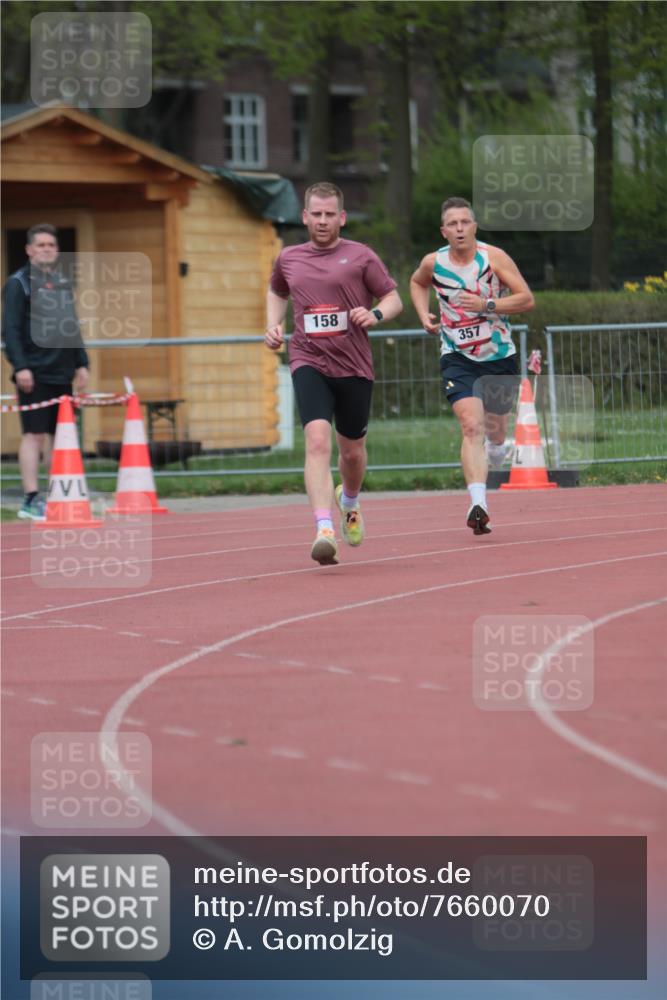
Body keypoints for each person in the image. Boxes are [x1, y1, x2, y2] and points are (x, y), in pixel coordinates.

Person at [265, 182, 403, 565]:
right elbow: (276, 291)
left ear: (341, 218)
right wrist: (273, 325)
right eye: (316, 214)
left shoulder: (361, 256)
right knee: (316, 441)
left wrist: (374, 314)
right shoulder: (289, 258)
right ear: (304, 217)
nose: (323, 221)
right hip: (308, 360)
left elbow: (393, 298)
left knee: (352, 453)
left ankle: (350, 502)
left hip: (353, 365)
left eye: (330, 214)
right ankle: (324, 529)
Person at [410, 197, 535, 535]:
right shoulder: (433, 263)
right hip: (457, 356)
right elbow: (417, 282)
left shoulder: (493, 258)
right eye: (453, 224)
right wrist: (423, 315)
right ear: (444, 231)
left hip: (498, 356)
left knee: (495, 431)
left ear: (475, 227)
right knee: (470, 426)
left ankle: (497, 447)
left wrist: (486, 304)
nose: (460, 228)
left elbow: (526, 298)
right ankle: (478, 504)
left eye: (465, 222)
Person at [2, 223, 90, 520]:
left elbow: (71, 325)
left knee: (59, 436)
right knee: (34, 435)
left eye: (51, 245)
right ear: (29, 250)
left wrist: (82, 363)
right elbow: (10, 329)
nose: (46, 249)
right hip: (34, 373)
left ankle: (57, 496)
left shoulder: (62, 283)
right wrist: (21, 366)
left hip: (62, 372)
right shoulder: (18, 284)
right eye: (40, 245)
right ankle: (30, 499)